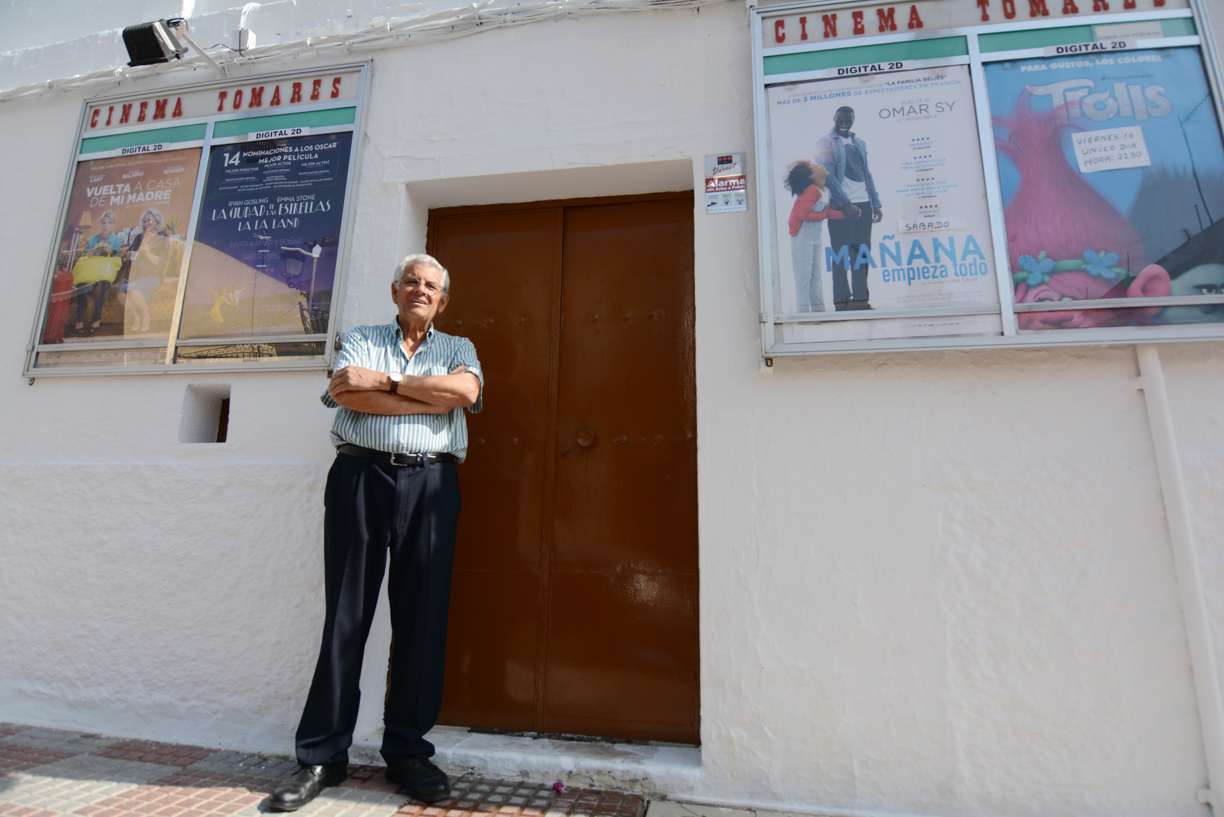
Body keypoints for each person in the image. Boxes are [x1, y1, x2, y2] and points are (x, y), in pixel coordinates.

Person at [269, 253, 483, 813]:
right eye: (411, 281)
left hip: (432, 483)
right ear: (394, 291)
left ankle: (408, 752)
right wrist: (424, 394)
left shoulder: (459, 348)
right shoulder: (361, 339)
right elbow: (347, 393)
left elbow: (464, 394)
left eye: (431, 285)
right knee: (345, 617)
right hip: (360, 476)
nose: (420, 290)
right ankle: (321, 756)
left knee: (422, 619)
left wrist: (385, 382)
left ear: (443, 300)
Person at [816, 106, 882, 311]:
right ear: (834, 118)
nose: (844, 123)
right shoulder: (826, 143)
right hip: (841, 206)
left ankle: (861, 301)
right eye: (840, 119)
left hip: (864, 203)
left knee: (861, 254)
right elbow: (827, 175)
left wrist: (876, 203)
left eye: (848, 120)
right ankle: (842, 303)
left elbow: (867, 173)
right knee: (840, 255)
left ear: (853, 120)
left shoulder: (859, 143)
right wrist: (846, 204)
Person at [785, 160, 844, 313]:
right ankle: (803, 314)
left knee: (815, 276)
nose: (821, 166)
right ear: (811, 175)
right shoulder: (811, 191)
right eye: (816, 166)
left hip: (815, 235)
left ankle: (819, 312)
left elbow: (827, 212)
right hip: (802, 235)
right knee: (803, 277)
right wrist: (824, 215)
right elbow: (804, 215)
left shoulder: (824, 191)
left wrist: (844, 215)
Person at [116, 208, 170, 333]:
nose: (146, 223)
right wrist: (127, 257)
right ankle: (136, 316)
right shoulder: (138, 238)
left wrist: (147, 253)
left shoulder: (162, 237)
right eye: (144, 221)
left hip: (152, 275)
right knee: (121, 292)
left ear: (157, 221)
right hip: (135, 275)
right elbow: (126, 259)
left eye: (149, 220)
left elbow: (161, 262)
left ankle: (146, 316)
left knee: (134, 291)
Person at [74, 209, 121, 335]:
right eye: (104, 223)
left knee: (100, 286)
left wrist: (111, 251)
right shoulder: (91, 240)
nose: (106, 226)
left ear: (113, 224)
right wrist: (88, 254)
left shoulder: (116, 240)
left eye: (109, 223)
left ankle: (97, 319)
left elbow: (116, 258)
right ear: (100, 224)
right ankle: (79, 321)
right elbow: (84, 256)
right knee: (84, 288)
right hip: (89, 273)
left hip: (104, 274)